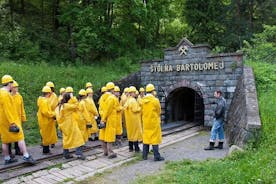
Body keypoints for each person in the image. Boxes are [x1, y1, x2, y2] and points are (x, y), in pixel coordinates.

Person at [0, 75, 35, 165]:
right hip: (10, 120)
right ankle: (26, 156)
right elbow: (8, 110)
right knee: (20, 137)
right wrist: (12, 123)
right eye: (12, 83)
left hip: (2, 121)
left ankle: (7, 158)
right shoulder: (6, 95)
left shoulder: (1, 92)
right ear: (9, 83)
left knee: (5, 140)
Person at [57, 93, 86, 160]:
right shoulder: (67, 106)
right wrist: (73, 98)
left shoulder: (62, 105)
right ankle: (79, 154)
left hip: (65, 125)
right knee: (79, 138)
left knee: (66, 139)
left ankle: (66, 155)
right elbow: (76, 105)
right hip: (70, 125)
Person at [141, 84, 164, 161]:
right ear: (152, 91)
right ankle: (156, 156)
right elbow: (159, 111)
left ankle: (144, 155)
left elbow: (142, 111)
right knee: (155, 139)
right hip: (154, 122)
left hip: (146, 122)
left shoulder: (142, 100)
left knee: (146, 138)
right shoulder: (155, 100)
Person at [98, 82, 117, 159]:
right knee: (109, 136)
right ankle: (110, 152)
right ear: (112, 89)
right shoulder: (112, 98)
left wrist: (102, 117)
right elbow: (108, 110)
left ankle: (105, 151)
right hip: (109, 119)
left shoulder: (102, 97)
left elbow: (100, 109)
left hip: (103, 118)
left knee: (103, 135)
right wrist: (104, 119)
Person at [37, 86, 57, 154]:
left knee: (46, 135)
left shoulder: (42, 100)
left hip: (45, 120)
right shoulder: (44, 101)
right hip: (45, 121)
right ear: (48, 93)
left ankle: (46, 150)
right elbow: (45, 112)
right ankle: (45, 151)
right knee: (46, 135)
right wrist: (53, 114)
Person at [8, 80, 26, 156]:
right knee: (9, 135)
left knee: (18, 134)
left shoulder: (19, 96)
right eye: (15, 87)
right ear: (11, 88)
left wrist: (23, 117)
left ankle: (17, 150)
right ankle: (9, 152)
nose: (17, 88)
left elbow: (22, 108)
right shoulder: (7, 96)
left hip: (17, 119)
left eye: (17, 87)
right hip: (9, 119)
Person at [124, 86, 143, 152]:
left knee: (130, 134)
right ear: (131, 93)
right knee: (135, 134)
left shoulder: (127, 100)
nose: (135, 93)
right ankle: (137, 148)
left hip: (129, 120)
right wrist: (140, 108)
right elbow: (135, 110)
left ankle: (130, 148)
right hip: (134, 120)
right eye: (134, 92)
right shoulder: (133, 101)